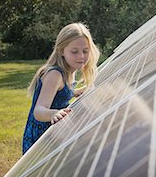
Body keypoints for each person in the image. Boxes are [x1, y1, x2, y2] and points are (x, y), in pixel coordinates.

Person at [22, 23, 100, 154]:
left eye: (85, 51)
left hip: (55, 133)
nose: (81, 56)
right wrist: (54, 113)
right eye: (74, 51)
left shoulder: (70, 69)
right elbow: (39, 110)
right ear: (61, 51)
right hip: (40, 138)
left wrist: (75, 92)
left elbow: (59, 93)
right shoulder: (55, 74)